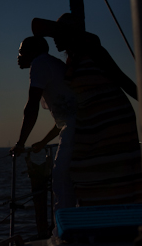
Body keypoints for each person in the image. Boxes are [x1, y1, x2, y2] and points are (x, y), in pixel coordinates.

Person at [32, 13, 142, 206]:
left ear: (70, 34)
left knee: (111, 172)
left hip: (113, 120)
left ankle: (118, 223)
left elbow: (122, 79)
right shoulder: (71, 60)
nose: (55, 40)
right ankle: (99, 224)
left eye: (58, 35)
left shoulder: (94, 50)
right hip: (92, 125)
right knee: (85, 172)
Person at [10, 36, 78, 215]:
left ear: (33, 53)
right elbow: (65, 118)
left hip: (75, 132)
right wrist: (42, 142)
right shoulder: (51, 63)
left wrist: (20, 143)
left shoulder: (39, 64)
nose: (18, 56)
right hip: (78, 128)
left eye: (21, 52)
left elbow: (32, 106)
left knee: (61, 180)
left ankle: (66, 233)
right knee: (71, 181)